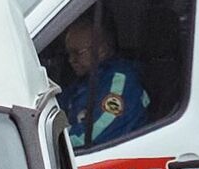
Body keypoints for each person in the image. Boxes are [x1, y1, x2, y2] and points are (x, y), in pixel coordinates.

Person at [59, 18, 149, 149]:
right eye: (69, 53)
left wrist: (53, 142)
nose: (71, 60)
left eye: (77, 53)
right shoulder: (85, 80)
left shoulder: (121, 81)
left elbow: (95, 132)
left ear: (101, 50)